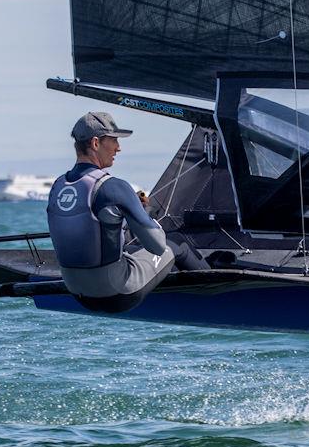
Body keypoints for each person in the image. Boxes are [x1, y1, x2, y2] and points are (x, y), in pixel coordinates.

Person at [47, 111, 207, 313]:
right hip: (117, 293)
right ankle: (220, 293)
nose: (118, 148)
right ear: (95, 143)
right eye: (113, 140)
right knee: (176, 245)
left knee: (131, 251)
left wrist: (133, 209)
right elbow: (157, 246)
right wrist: (142, 213)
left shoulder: (57, 187)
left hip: (77, 292)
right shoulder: (114, 187)